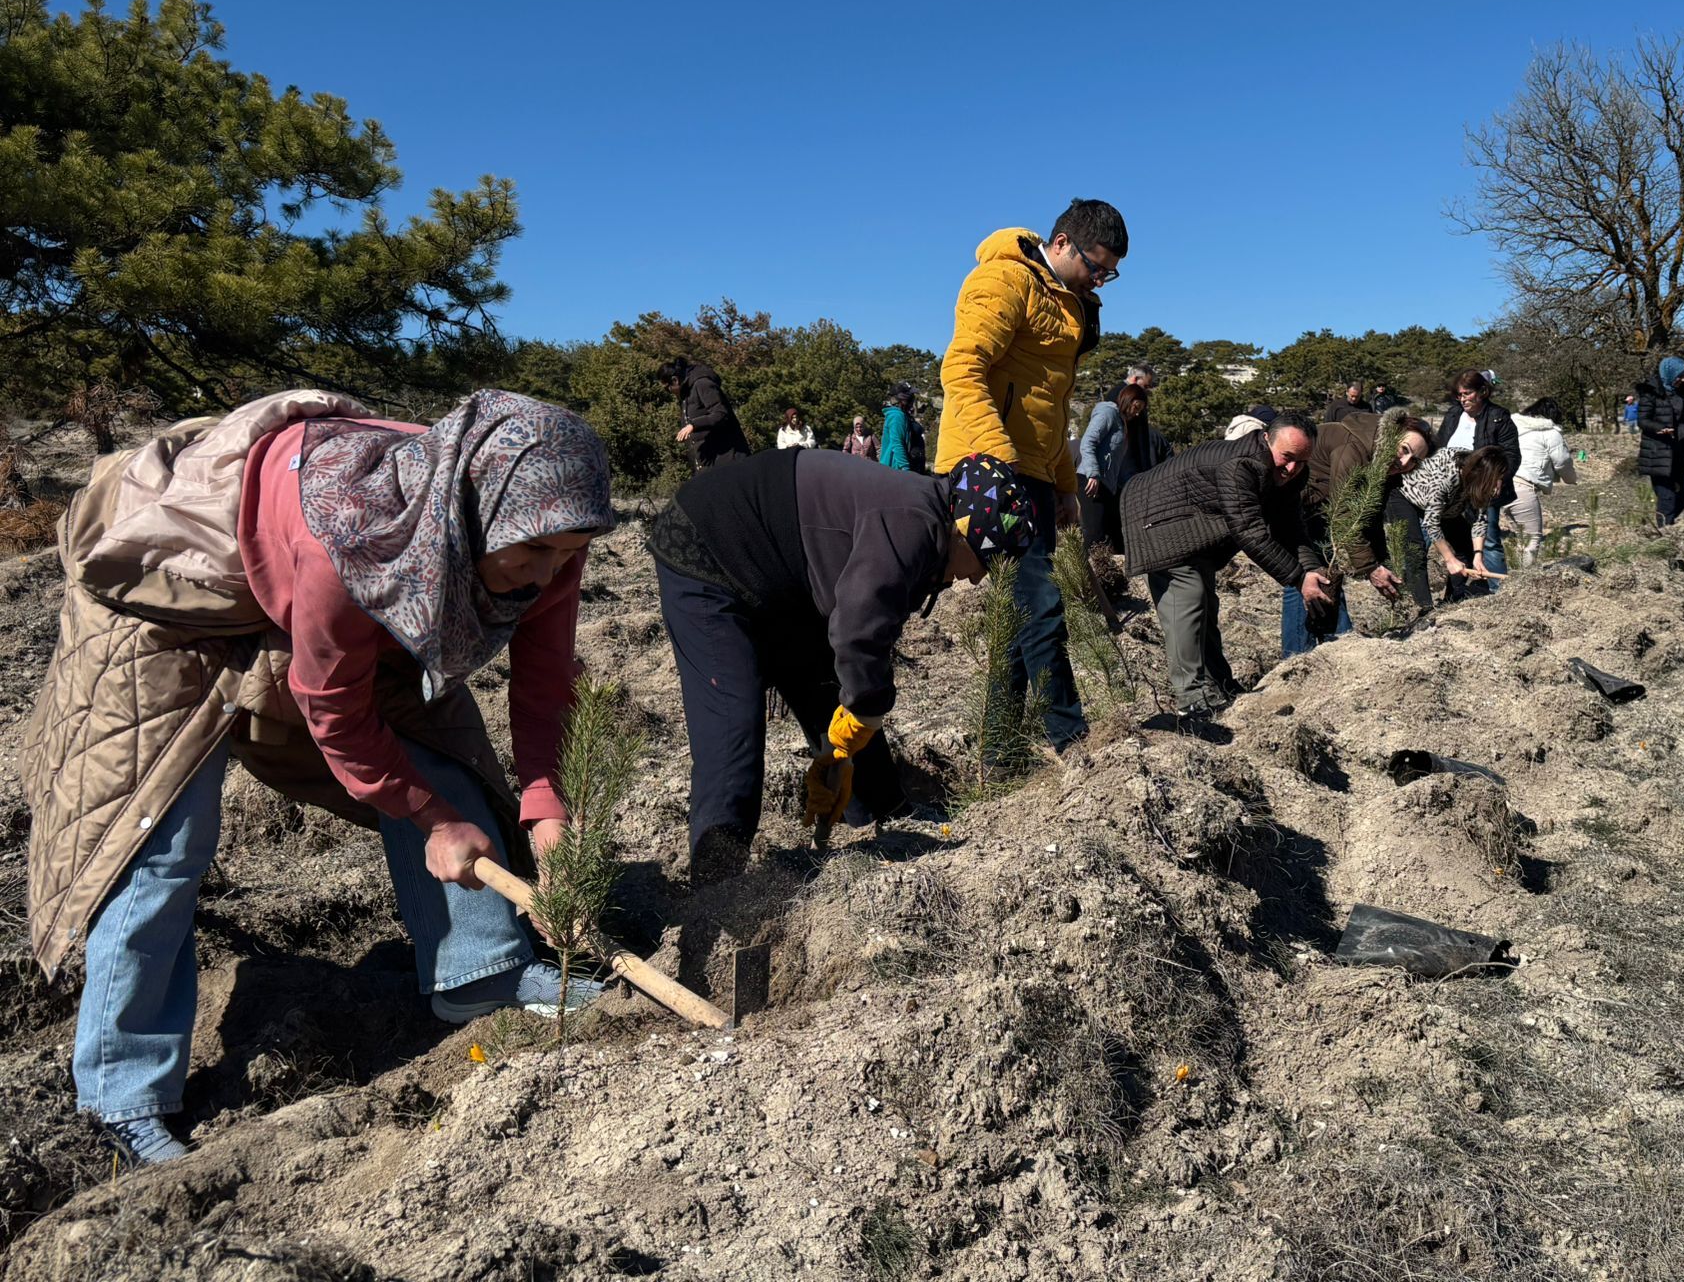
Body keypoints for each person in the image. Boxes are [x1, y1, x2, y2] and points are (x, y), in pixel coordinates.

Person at [21, 389, 615, 1166]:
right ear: (474, 512)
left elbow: (543, 689)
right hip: (171, 596)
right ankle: (123, 1095)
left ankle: (480, 973)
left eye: (568, 552)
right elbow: (334, 709)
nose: (548, 574)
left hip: (326, 575)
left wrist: (548, 810)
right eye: (534, 554)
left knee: (446, 752)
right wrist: (432, 820)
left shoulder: (539, 528)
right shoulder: (356, 533)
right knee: (157, 832)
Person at [647, 447, 1034, 883]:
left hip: (781, 578)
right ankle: (717, 888)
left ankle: (884, 819)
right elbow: (858, 631)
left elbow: (853, 651)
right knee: (733, 725)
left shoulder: (926, 522)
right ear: (963, 533)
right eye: (986, 563)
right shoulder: (913, 523)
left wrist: (845, 744)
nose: (979, 579)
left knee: (830, 689)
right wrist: (865, 711)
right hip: (709, 548)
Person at [935, 199, 1128, 752]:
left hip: (1033, 475)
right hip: (988, 470)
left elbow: (1050, 408)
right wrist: (999, 461)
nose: (1101, 281)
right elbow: (961, 370)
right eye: (1097, 266)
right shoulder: (1002, 280)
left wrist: (1064, 486)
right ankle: (1072, 742)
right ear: (1062, 243)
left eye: (1110, 272)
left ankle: (999, 751)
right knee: (1041, 603)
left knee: (1022, 616)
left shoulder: (1066, 302)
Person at [1120, 417, 1331, 716]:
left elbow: (1291, 528)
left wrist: (1312, 570)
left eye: (1302, 460)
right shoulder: (1241, 464)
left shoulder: (1289, 473)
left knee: (1205, 605)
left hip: (1196, 529)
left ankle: (1220, 684)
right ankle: (1190, 699)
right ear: (1267, 439)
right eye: (1287, 457)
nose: (1292, 468)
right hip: (1157, 520)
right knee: (1189, 597)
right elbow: (1250, 531)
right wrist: (1298, 579)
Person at [1286, 409, 1434, 655]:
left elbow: (1370, 516)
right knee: (1303, 579)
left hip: (1321, 511)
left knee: (1328, 578)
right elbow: (1343, 513)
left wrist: (1382, 563)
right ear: (1391, 436)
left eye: (1414, 462)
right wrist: (1370, 568)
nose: (1404, 463)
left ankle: (1337, 647)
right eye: (1405, 450)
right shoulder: (1352, 447)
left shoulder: (1383, 465)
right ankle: (1295, 658)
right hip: (1297, 506)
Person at [1436, 370, 1519, 592]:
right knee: (1453, 539)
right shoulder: (1453, 416)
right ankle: (1457, 592)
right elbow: (1438, 447)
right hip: (1451, 488)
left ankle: (1498, 591)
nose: (1463, 399)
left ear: (1482, 392)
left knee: (1488, 538)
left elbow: (1511, 454)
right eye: (1459, 395)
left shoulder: (1498, 417)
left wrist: (1499, 476)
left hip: (1483, 487)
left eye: (1467, 393)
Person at [1399, 443, 1513, 602]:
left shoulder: (1480, 478)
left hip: (1448, 507)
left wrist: (1478, 556)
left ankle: (1452, 599)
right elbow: (1431, 523)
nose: (1498, 487)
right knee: (1415, 549)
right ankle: (1423, 606)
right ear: (1485, 475)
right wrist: (1449, 559)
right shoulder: (1446, 479)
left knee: (1467, 548)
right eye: (1496, 479)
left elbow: (1480, 518)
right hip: (1408, 495)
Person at [1076, 382, 1169, 556]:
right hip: (1090, 480)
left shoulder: (1123, 423)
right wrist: (1093, 474)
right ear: (1128, 400)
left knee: (1116, 534)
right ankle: (1081, 576)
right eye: (1136, 407)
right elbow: (1088, 442)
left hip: (1107, 485)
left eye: (1141, 409)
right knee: (1095, 533)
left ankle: (1111, 576)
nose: (1138, 412)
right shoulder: (1108, 413)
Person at [1636, 357, 1684, 526]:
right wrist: (1659, 428)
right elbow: (1642, 420)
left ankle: (1665, 522)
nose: (1683, 379)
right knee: (1667, 496)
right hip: (1659, 453)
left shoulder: (1679, 395)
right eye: (1680, 375)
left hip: (1680, 452)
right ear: (1669, 373)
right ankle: (1665, 532)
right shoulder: (1650, 394)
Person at [1504, 397, 1576, 564]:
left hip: (1499, 485)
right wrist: (1571, 479)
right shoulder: (1551, 433)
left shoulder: (1513, 426)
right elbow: (1562, 461)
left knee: (1518, 538)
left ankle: (1510, 574)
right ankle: (1524, 581)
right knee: (1532, 541)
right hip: (1522, 487)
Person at [660, 358, 749, 467]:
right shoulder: (685, 396)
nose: (668, 392)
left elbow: (721, 413)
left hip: (728, 460)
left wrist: (693, 425)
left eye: (667, 388)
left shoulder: (702, 384)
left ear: (675, 380)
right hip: (708, 464)